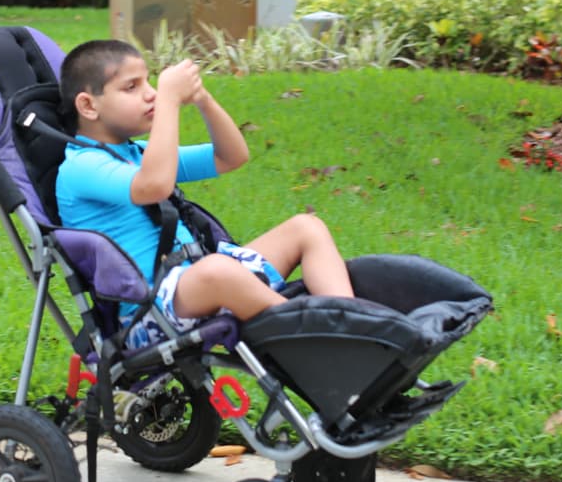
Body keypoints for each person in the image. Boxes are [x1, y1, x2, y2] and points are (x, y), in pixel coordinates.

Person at [55, 40, 354, 349]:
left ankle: (354, 324)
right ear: (88, 106)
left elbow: (230, 157)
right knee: (217, 269)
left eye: (149, 82)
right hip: (149, 312)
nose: (151, 93)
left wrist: (203, 100)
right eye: (131, 87)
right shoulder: (80, 167)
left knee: (306, 228)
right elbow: (153, 186)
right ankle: (320, 339)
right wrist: (169, 102)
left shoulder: (137, 154)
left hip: (197, 281)